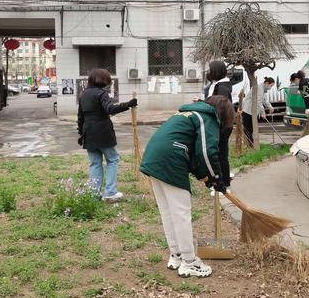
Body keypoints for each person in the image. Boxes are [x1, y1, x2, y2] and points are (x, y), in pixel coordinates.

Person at [140, 95, 235, 278]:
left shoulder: (187, 113)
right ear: (223, 114)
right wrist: (216, 179)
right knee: (181, 213)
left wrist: (208, 179)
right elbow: (207, 152)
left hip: (153, 158)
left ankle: (176, 256)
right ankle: (190, 262)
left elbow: (195, 156)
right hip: (171, 159)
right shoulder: (207, 118)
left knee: (169, 212)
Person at [77, 68, 137, 201]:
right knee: (112, 159)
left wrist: (81, 134)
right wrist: (128, 104)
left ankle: (94, 194)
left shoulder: (83, 95)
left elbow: (80, 117)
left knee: (95, 163)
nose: (107, 83)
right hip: (103, 133)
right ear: (101, 80)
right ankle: (110, 192)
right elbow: (110, 109)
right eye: (107, 80)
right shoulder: (101, 93)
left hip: (89, 134)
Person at [202, 61, 233, 190]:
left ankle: (224, 184)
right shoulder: (217, 85)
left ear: (216, 71)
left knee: (220, 155)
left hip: (222, 126)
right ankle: (220, 181)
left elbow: (220, 107)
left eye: (210, 69)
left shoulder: (222, 87)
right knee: (218, 154)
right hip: (218, 125)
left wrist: (203, 104)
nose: (208, 72)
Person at [241, 77, 275, 146]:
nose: (270, 88)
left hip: (253, 112)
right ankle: (248, 144)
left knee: (252, 129)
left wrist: (270, 106)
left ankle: (251, 144)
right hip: (248, 110)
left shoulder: (264, 89)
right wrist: (263, 112)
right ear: (267, 83)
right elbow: (258, 101)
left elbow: (265, 100)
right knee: (247, 129)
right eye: (271, 86)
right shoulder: (259, 88)